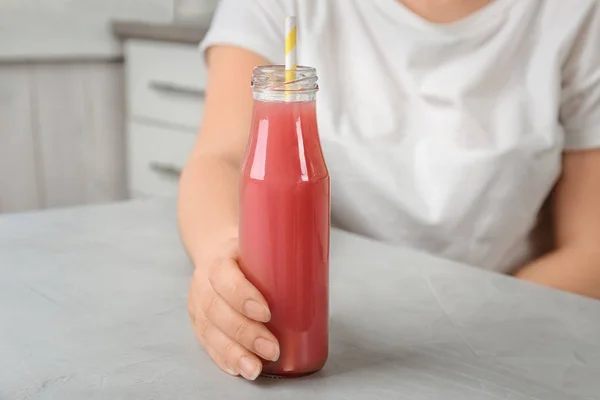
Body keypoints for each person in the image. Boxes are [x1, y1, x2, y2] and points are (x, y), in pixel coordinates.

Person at [178, 0, 600, 380]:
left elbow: (591, 248)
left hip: (500, 336)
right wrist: (223, 258)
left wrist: (469, 326)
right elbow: (219, 159)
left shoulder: (577, 14)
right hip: (341, 330)